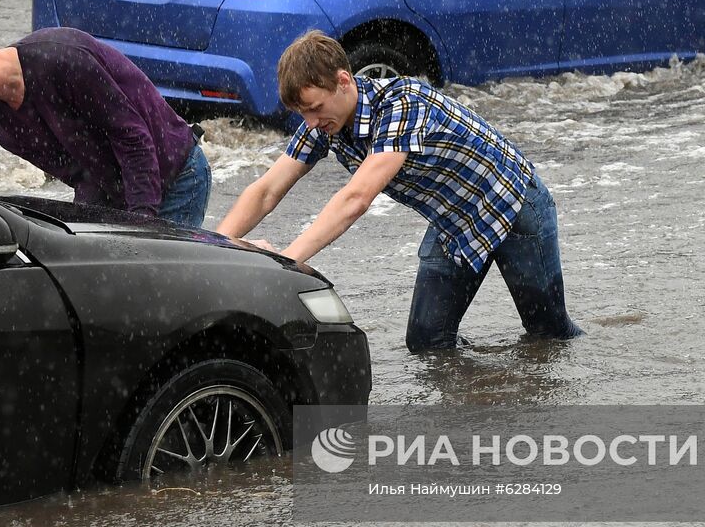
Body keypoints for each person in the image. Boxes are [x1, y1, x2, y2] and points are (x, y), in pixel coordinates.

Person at [217, 30, 583, 352]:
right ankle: (480, 394)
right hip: (453, 222)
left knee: (548, 335)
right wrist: (215, 243)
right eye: (303, 114)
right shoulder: (323, 123)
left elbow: (356, 198)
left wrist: (287, 263)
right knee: (427, 342)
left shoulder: (402, 103)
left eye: (315, 109)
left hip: (513, 203)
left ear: (344, 81)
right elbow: (267, 190)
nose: (311, 122)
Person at [0, 8, 210, 228]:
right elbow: (85, 176)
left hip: (176, 176)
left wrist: (142, 224)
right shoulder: (6, 129)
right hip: (123, 199)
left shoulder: (60, 56)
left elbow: (132, 138)